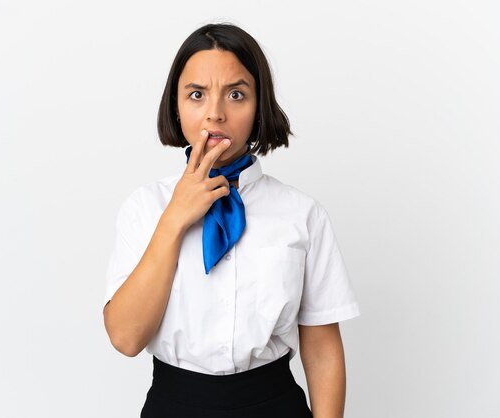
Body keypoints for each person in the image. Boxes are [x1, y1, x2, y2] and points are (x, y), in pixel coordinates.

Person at [103, 22, 361, 418]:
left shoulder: (302, 214)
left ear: (260, 106)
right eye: (196, 95)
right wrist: (174, 220)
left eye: (236, 95)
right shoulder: (144, 208)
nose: (215, 114)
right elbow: (125, 337)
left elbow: (323, 347)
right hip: (174, 405)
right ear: (176, 105)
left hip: (273, 405)